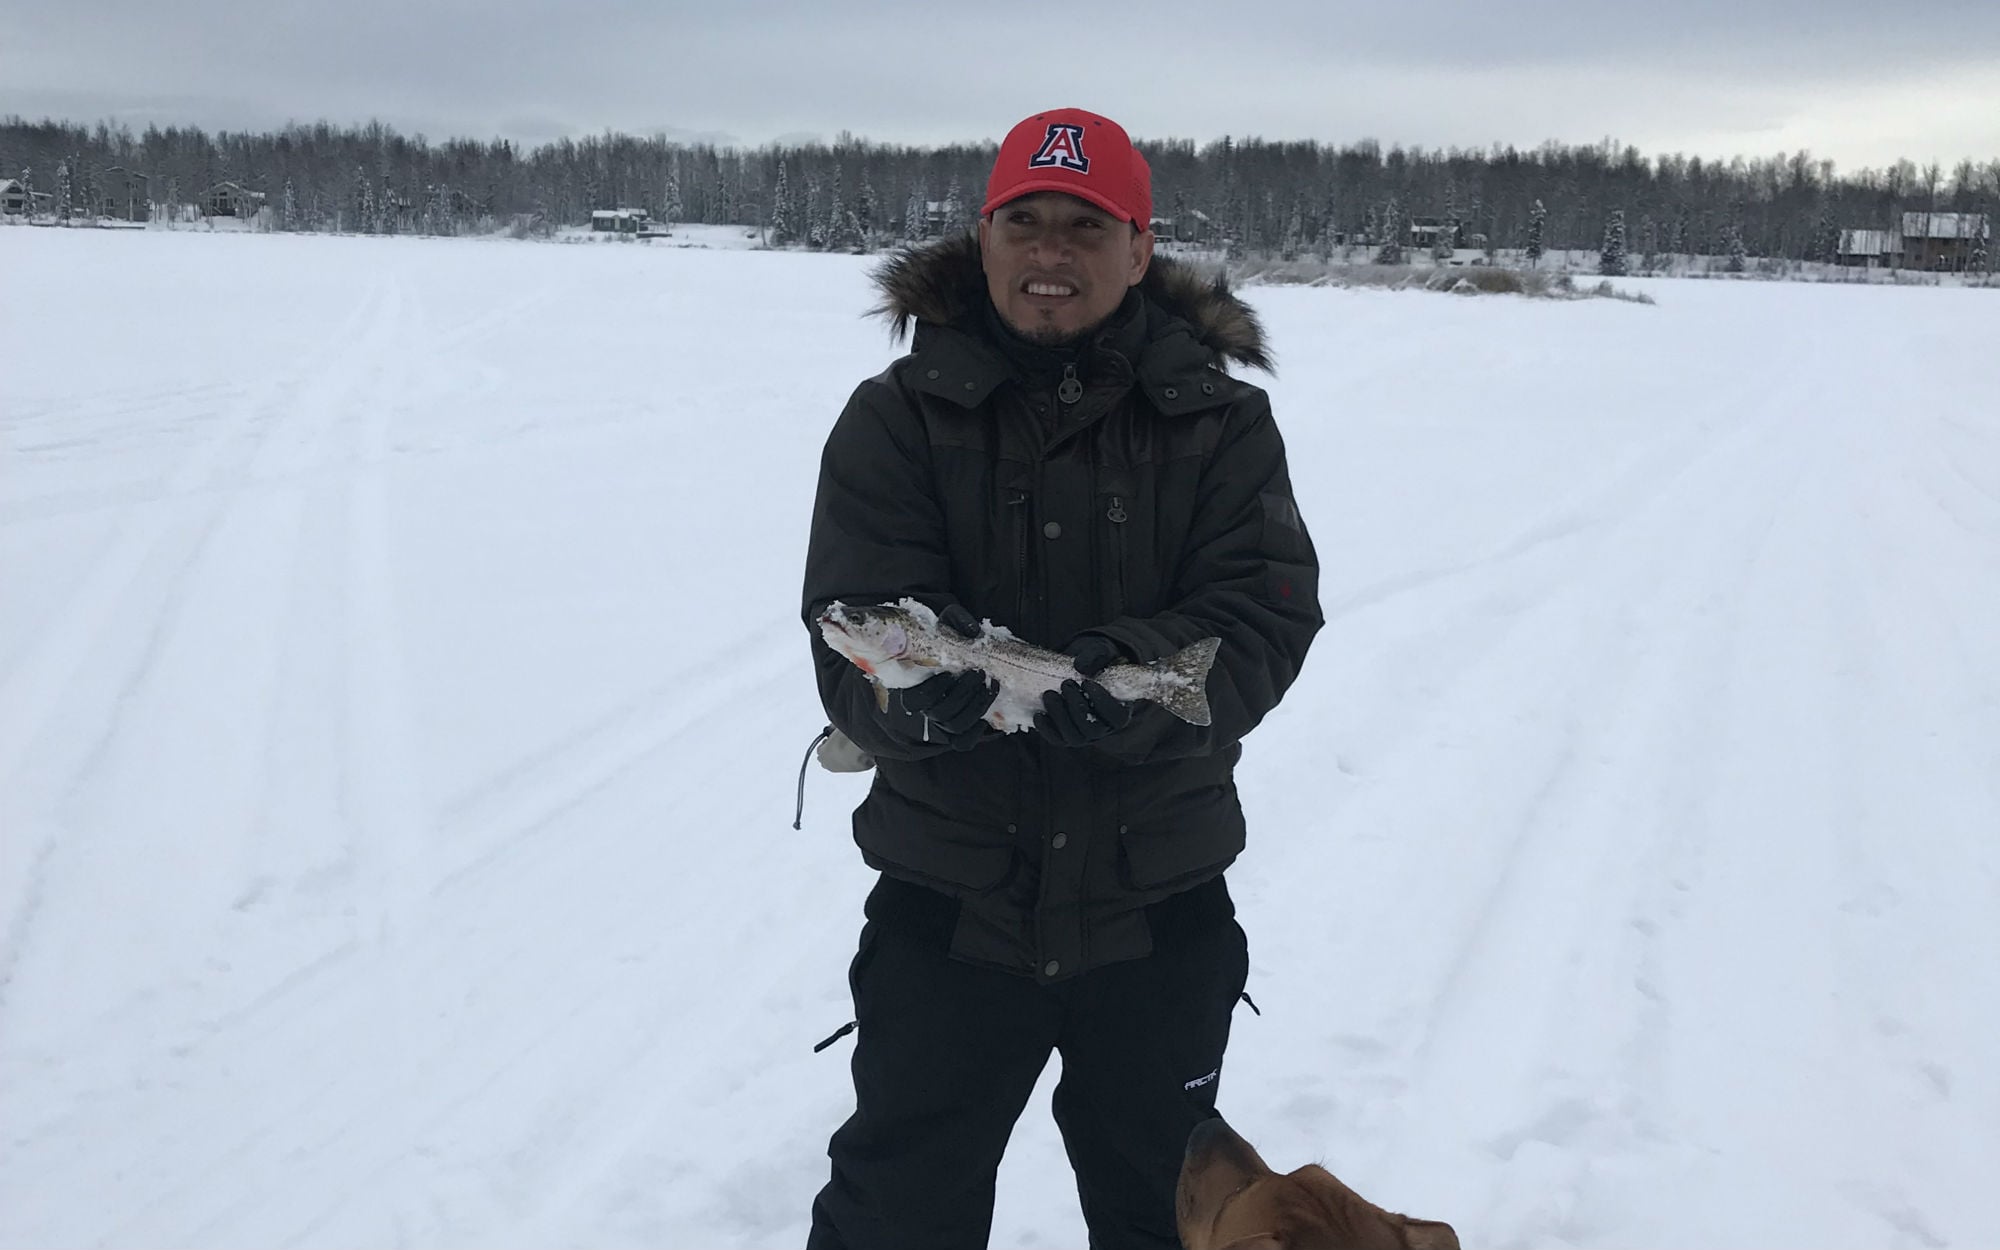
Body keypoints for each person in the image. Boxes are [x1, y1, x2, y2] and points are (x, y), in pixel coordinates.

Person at [801, 106, 1323, 1250]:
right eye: (1023, 222)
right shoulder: (893, 418)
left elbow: (1263, 614)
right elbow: (847, 638)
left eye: (1084, 226)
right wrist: (910, 702)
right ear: (982, 238)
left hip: (1156, 913)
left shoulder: (1223, 425)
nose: (1050, 253)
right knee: (895, 1215)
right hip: (949, 911)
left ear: (1138, 249)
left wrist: (1127, 686)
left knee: (1163, 1218)